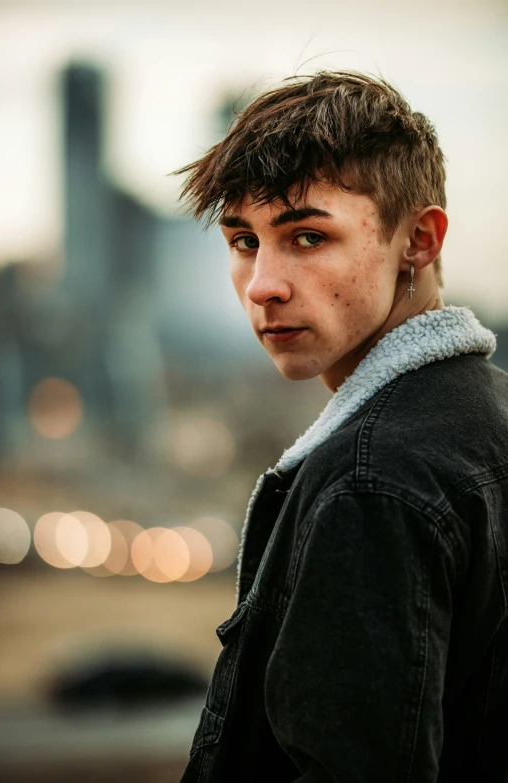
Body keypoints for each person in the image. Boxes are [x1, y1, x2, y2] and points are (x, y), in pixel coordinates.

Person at [175, 71, 508, 782]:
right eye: (243, 240)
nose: (263, 283)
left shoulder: (370, 481)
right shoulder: (492, 413)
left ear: (418, 240)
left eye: (306, 235)